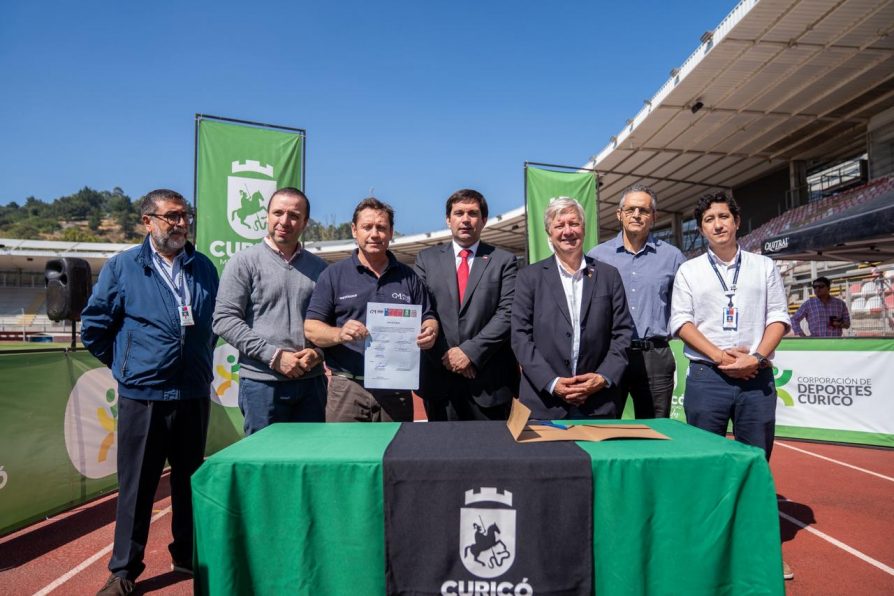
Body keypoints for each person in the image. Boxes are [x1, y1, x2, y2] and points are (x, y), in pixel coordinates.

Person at [81, 189, 219, 595]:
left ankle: (186, 554)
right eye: (171, 217)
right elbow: (94, 327)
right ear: (147, 221)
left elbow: (210, 326)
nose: (180, 224)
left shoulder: (204, 267)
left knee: (190, 480)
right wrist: (129, 366)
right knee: (138, 487)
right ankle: (124, 570)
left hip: (192, 392)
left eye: (185, 216)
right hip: (143, 396)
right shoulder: (123, 266)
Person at [669, 192, 794, 581]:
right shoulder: (689, 271)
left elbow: (778, 318)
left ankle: (759, 550)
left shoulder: (764, 266)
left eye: (724, 217)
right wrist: (724, 358)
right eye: (709, 219)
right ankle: (703, 551)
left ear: (737, 221)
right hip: (708, 378)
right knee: (704, 466)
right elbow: (682, 323)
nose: (718, 224)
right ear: (702, 227)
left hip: (755, 378)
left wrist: (754, 358)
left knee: (754, 466)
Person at [305, 197, 439, 422]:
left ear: (391, 232)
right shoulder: (333, 275)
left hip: (396, 388)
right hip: (348, 386)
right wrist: (340, 334)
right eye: (367, 227)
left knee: (394, 454)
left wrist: (430, 330)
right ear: (354, 230)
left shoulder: (409, 277)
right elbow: (311, 328)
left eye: (381, 227)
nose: (374, 234)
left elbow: (428, 316)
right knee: (345, 455)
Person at [213, 187, 328, 435]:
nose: (284, 221)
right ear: (267, 216)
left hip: (311, 383)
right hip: (261, 383)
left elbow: (331, 322)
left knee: (308, 461)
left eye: (294, 215)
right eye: (278, 213)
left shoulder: (320, 269)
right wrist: (275, 357)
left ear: (305, 222)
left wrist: (318, 353)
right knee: (262, 464)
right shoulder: (243, 262)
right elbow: (224, 319)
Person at [511, 197, 633, 420]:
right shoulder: (529, 277)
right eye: (559, 225)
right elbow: (520, 337)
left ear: (584, 229)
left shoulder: (609, 276)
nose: (568, 231)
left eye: (574, 224)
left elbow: (622, 333)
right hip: (544, 403)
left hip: (598, 403)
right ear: (549, 233)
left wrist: (602, 377)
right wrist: (552, 382)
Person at [413, 189, 519, 420]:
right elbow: (421, 310)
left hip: (489, 383)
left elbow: (507, 313)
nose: (465, 219)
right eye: (458, 213)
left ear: (483, 220)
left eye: (473, 213)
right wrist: (449, 357)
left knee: (492, 455)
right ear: (448, 220)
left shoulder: (504, 261)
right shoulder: (426, 259)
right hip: (440, 380)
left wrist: (470, 353)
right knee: (440, 454)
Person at [588, 184, 684, 418]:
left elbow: (683, 308)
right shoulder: (596, 256)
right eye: (630, 209)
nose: (637, 215)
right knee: (603, 426)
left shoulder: (673, 257)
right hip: (608, 355)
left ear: (653, 216)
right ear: (619, 215)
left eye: (643, 210)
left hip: (655, 357)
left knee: (655, 430)